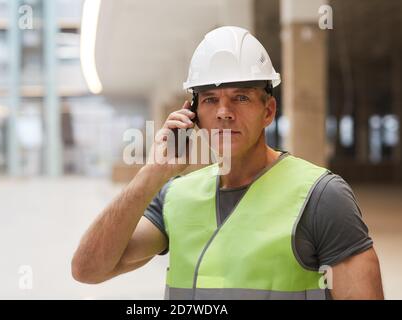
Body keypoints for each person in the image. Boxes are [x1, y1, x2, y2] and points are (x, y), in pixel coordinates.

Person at [72, 26, 384, 300]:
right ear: (193, 116)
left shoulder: (322, 197)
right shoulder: (176, 197)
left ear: (269, 111)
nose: (224, 111)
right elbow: (88, 269)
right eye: (210, 99)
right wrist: (151, 174)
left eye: (241, 97)